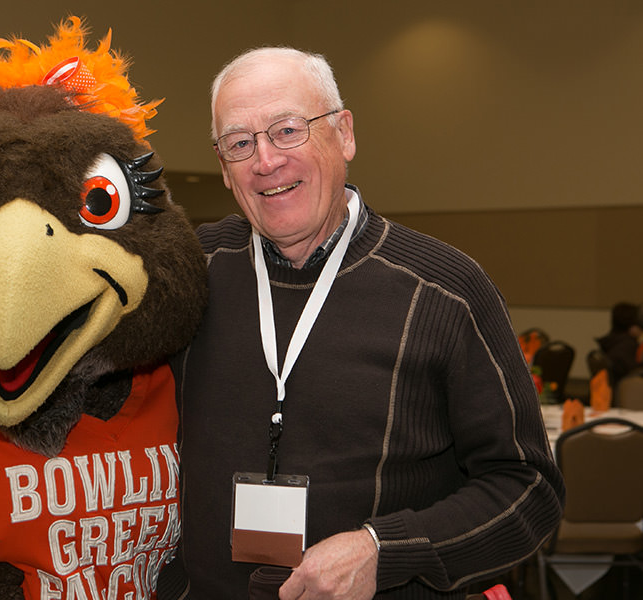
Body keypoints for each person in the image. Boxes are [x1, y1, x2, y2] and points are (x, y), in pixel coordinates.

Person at [168, 47, 565, 599]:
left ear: (344, 134)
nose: (266, 160)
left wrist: (386, 550)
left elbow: (528, 489)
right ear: (224, 168)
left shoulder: (444, 292)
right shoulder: (187, 273)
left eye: (287, 130)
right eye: (239, 143)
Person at [596, 301, 643, 384]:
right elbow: (636, 373)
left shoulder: (611, 342)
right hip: (626, 388)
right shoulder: (627, 346)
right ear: (633, 327)